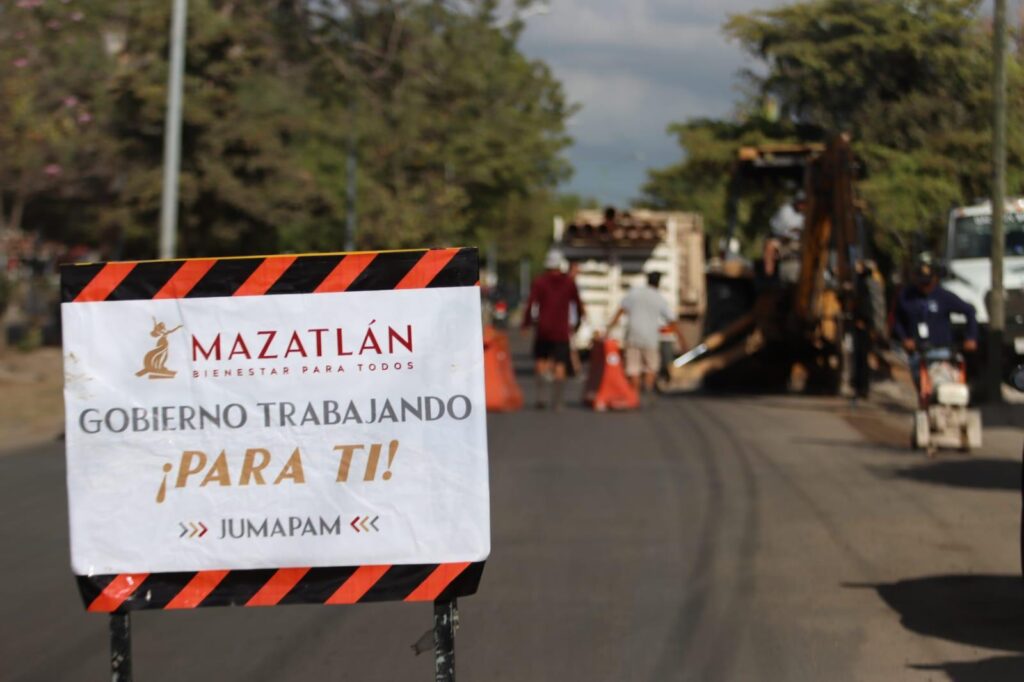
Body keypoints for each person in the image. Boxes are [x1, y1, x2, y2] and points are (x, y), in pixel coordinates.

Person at [892, 253, 978, 390]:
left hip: (942, 352)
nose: (925, 287)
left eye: (928, 282)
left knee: (944, 388)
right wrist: (905, 338)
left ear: (935, 279)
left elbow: (969, 311)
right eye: (922, 282)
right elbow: (897, 320)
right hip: (917, 353)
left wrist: (971, 337)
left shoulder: (944, 296)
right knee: (922, 390)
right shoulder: (906, 296)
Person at [522, 250, 584, 409]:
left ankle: (541, 397)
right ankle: (557, 400)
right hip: (561, 330)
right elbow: (577, 304)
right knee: (560, 364)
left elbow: (531, 303)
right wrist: (578, 324)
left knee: (541, 361)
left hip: (543, 329)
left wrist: (526, 324)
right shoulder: (569, 282)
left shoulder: (540, 282)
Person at [607, 272, 683, 397]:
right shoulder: (659, 298)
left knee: (633, 367)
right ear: (658, 283)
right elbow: (671, 320)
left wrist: (609, 329)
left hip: (632, 335)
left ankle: (634, 395)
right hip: (650, 338)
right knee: (651, 367)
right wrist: (681, 339)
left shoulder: (635, 293)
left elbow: (621, 310)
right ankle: (647, 392)